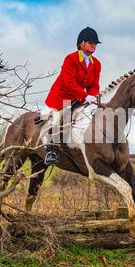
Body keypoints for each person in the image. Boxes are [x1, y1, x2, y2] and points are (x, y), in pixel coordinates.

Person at [40, 27, 102, 165]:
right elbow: (69, 82)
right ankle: (51, 150)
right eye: (90, 42)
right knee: (57, 120)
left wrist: (92, 97)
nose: (93, 45)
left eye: (95, 43)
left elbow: (94, 85)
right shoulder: (71, 59)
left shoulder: (96, 64)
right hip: (61, 97)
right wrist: (85, 96)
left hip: (78, 99)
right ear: (81, 43)